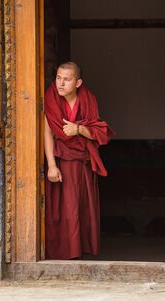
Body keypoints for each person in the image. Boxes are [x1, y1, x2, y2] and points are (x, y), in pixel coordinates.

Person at [44, 62, 115, 259]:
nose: (60, 84)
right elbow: (48, 132)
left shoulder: (88, 99)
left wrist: (79, 129)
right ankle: (64, 251)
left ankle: (80, 249)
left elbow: (99, 132)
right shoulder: (50, 98)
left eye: (66, 80)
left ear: (78, 82)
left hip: (82, 162)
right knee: (64, 207)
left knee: (81, 206)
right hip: (61, 160)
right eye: (58, 78)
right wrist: (51, 165)